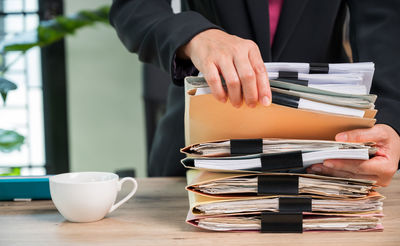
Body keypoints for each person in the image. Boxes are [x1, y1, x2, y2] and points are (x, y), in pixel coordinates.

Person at [109, 0, 400, 186]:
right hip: (202, 152)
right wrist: (194, 36)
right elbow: (134, 6)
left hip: (326, 157)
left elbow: (382, 25)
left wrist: (388, 121)